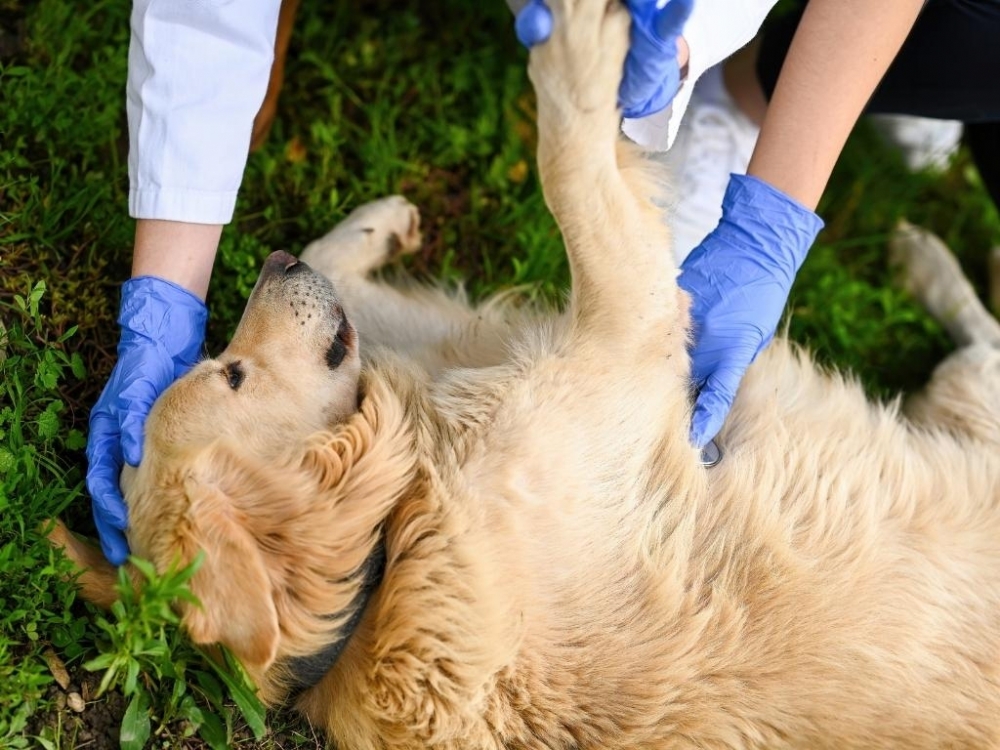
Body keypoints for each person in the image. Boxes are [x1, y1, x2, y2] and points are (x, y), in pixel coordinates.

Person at [85, 0, 697, 564]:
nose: (272, 263)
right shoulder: (507, 490)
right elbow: (641, 331)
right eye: (232, 370)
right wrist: (165, 291)